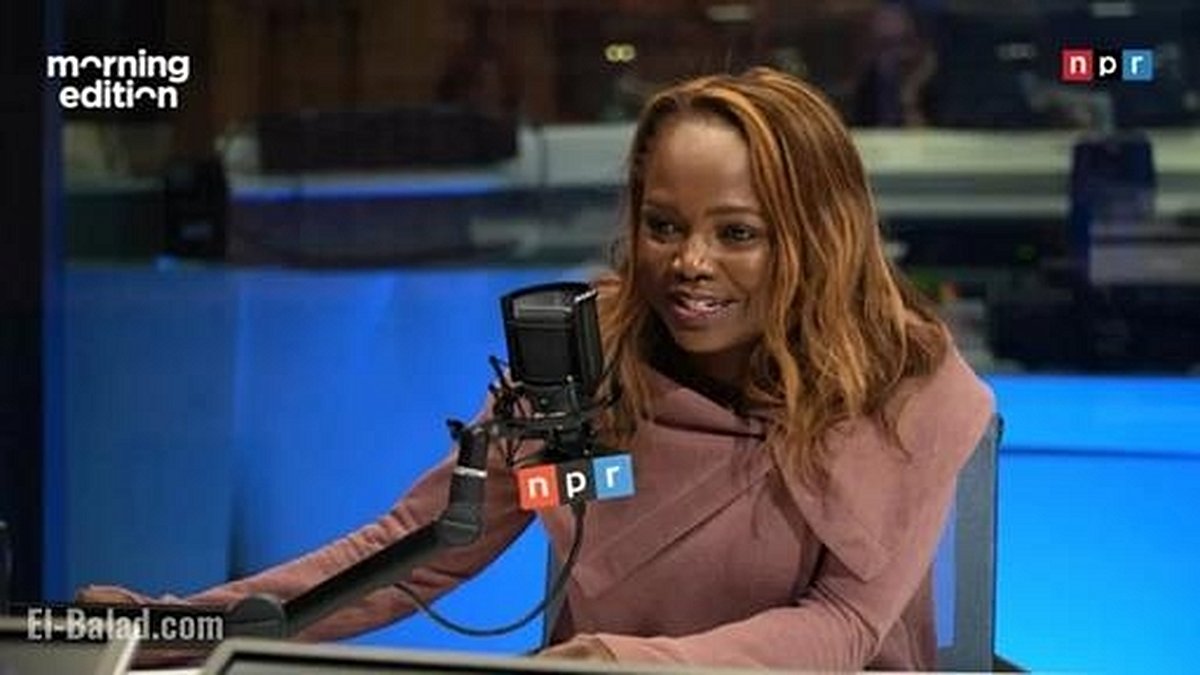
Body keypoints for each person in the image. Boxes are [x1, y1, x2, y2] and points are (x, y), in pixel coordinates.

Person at [79, 67, 994, 670]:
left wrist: (627, 662)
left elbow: (843, 628)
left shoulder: (909, 385)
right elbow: (414, 551)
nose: (689, 263)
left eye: (737, 233)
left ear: (816, 235)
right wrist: (175, 626)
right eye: (664, 226)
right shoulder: (584, 355)